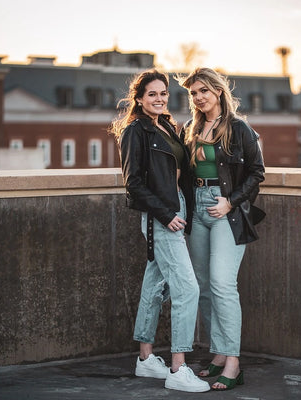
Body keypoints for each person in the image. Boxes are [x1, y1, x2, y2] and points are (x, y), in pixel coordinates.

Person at [110, 69, 210, 393]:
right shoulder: (134, 132)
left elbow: (181, 171)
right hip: (162, 216)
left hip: (175, 209)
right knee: (187, 288)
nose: (159, 99)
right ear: (139, 98)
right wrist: (166, 215)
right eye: (152, 94)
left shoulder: (166, 125)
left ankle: (145, 358)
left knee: (154, 287)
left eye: (163, 93)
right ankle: (178, 368)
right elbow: (133, 185)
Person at [178, 68, 265, 391]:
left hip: (225, 210)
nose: (199, 97)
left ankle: (233, 362)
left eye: (204, 90)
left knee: (222, 284)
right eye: (194, 93)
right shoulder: (191, 128)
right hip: (197, 209)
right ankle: (217, 355)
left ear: (217, 91)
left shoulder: (239, 128)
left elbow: (256, 173)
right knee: (202, 285)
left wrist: (231, 202)